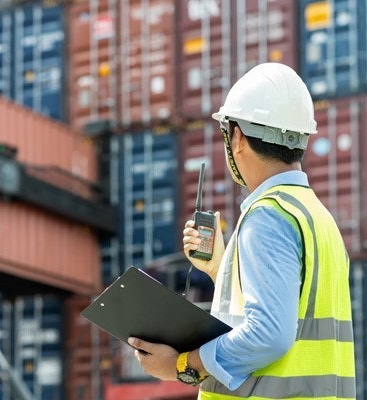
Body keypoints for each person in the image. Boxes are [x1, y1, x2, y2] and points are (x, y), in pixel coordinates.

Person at [127, 63, 356, 399]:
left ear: (236, 137)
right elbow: (289, 308)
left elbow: (269, 334)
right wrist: (221, 268)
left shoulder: (268, 215)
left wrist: (182, 365)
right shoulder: (316, 217)